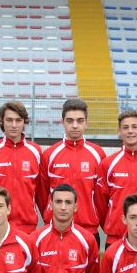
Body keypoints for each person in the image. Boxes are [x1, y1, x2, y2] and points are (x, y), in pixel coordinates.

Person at [39, 99, 106, 238]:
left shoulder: (98, 154)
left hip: (89, 231)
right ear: (62, 122)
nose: (75, 125)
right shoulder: (49, 154)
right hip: (56, 230)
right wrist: (49, 215)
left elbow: (102, 196)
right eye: (70, 121)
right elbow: (42, 194)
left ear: (86, 122)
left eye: (80, 121)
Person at [97, 109, 137, 249]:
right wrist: (113, 224)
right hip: (116, 239)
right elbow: (100, 203)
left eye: (134, 127)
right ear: (119, 131)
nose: (130, 131)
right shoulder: (108, 164)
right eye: (125, 128)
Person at [0, 101, 43, 235]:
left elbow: (41, 192)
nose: (14, 125)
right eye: (9, 120)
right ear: (2, 121)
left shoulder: (36, 151)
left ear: (24, 122)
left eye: (18, 120)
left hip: (28, 227)